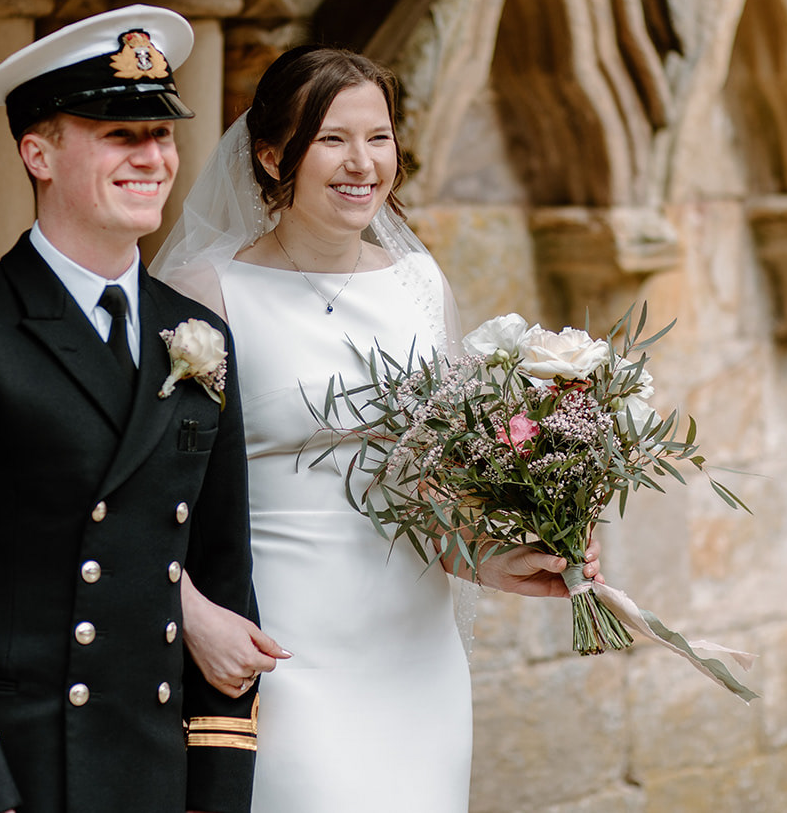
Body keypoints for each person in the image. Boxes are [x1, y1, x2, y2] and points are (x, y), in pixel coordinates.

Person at [153, 46, 601, 812]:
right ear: (272, 156)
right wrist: (192, 614)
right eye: (332, 138)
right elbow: (149, 494)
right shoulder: (207, 293)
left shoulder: (418, 284)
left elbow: (433, 488)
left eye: (379, 137)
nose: (362, 162)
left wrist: (500, 558)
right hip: (278, 645)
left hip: (415, 653)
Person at [0, 5, 261, 813]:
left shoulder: (198, 336)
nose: (152, 157)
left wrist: (214, 793)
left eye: (162, 134)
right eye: (118, 134)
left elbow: (224, 577)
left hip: (148, 778)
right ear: (37, 152)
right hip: (4, 774)